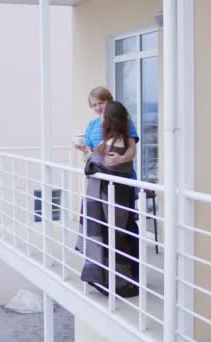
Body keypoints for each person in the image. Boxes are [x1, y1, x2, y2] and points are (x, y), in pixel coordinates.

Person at [75, 87, 141, 282]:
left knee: (126, 226)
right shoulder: (92, 125)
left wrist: (119, 160)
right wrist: (84, 150)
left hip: (121, 181)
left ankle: (133, 273)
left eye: (100, 103)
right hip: (99, 183)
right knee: (102, 228)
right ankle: (108, 273)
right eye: (94, 105)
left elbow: (131, 151)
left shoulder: (123, 122)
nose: (97, 107)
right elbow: (92, 155)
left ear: (109, 102)